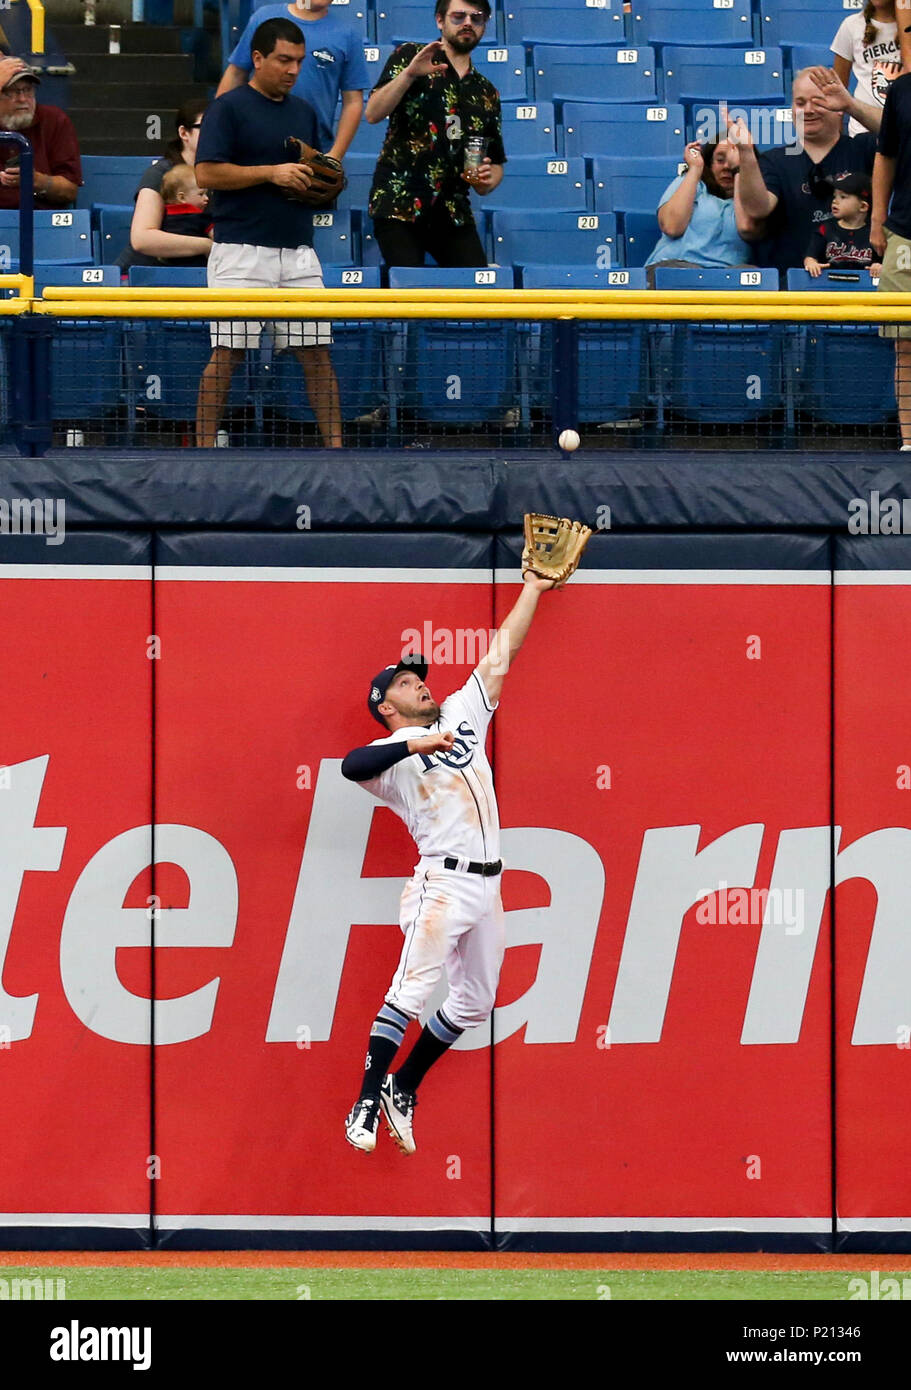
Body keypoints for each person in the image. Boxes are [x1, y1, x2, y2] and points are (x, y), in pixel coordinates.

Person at [341, 570, 554, 1156]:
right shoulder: (389, 757)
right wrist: (414, 744)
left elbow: (499, 657)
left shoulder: (460, 715)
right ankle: (363, 1099)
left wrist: (532, 589)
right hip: (442, 883)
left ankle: (402, 1087)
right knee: (411, 992)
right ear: (386, 706)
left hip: (489, 887)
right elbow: (348, 765)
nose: (421, 687)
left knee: (476, 1002)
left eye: (419, 680)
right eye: (407, 684)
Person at [193, 17, 342, 449]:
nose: (293, 70)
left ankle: (338, 452)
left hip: (298, 250)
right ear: (257, 59)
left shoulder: (304, 112)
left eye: (298, 61)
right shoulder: (228, 107)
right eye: (283, 60)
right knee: (229, 352)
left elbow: (316, 178)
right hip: (241, 250)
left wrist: (320, 181)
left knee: (316, 354)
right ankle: (202, 451)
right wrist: (271, 173)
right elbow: (205, 173)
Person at [364, 0, 506, 267]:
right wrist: (409, 75)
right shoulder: (410, 56)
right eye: (458, 16)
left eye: (477, 18)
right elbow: (373, 113)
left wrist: (486, 180)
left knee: (476, 295)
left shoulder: (487, 91)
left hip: (453, 211)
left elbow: (495, 163)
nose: (468, 23)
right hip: (399, 203)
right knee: (410, 296)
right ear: (440, 20)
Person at [732, 67, 883, 274]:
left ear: (838, 107)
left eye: (819, 101)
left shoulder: (863, 149)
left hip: (861, 288)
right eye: (800, 103)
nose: (809, 110)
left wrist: (852, 105)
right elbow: (757, 209)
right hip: (792, 289)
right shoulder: (774, 160)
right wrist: (746, 155)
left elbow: (902, 130)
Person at [217, 0, 370, 160]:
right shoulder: (264, 18)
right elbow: (236, 73)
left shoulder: (347, 34)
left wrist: (335, 155)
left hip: (312, 149)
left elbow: (353, 101)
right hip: (253, 142)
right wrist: (215, 127)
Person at [122, 98, 212, 271]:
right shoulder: (161, 173)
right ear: (184, 133)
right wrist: (207, 246)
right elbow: (142, 238)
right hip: (149, 274)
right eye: (206, 127)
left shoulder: (226, 174)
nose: (215, 134)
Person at [871, 66, 911, 448]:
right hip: (906, 231)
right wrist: (877, 219)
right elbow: (885, 155)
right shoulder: (901, 90)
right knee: (905, 344)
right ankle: (909, 442)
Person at [645, 139, 755, 275]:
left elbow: (748, 228)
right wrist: (696, 168)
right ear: (710, 164)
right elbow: (671, 226)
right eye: (720, 160)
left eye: (735, 161)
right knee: (687, 273)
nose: (727, 167)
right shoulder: (693, 184)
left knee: (753, 275)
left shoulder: (755, 201)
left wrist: (740, 171)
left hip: (727, 278)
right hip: (676, 268)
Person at [0, 61, 81, 209]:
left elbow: (70, 190)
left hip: (42, 218)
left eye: (28, 90)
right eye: (11, 91)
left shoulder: (54, 120)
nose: (23, 99)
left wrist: (36, 180)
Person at [831, 0, 901, 137]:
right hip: (863, 132)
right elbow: (838, 86)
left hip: (904, 130)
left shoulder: (907, 27)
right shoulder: (851, 25)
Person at [803, 172, 881, 276]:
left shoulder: (875, 233)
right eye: (835, 196)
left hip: (865, 289)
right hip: (830, 286)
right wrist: (811, 263)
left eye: (843, 197)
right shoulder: (825, 229)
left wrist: (879, 266)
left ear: (863, 206)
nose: (835, 201)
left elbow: (885, 264)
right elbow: (810, 257)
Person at [158, 163, 212, 267]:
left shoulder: (162, 215)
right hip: (196, 266)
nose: (206, 198)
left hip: (167, 267)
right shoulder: (201, 216)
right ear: (181, 198)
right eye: (201, 194)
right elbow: (215, 235)